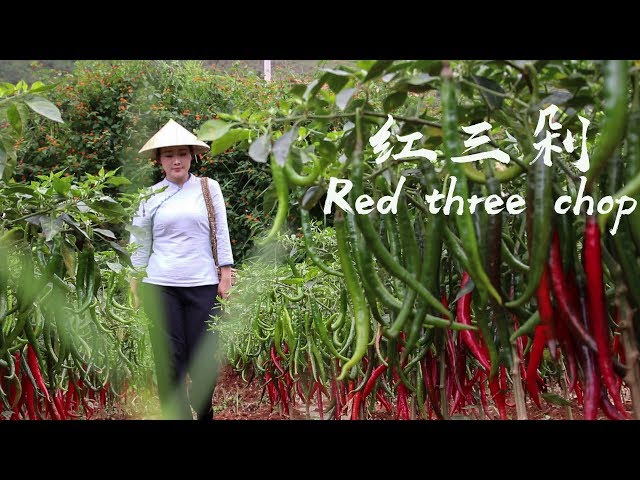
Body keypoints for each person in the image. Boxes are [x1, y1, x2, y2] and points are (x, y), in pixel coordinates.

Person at [128, 119, 234, 420]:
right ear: (158, 160)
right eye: (169, 154)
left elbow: (221, 232)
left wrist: (225, 274)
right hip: (159, 285)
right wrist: (135, 285)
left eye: (183, 154)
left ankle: (204, 411)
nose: (176, 160)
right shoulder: (148, 197)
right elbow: (139, 244)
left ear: (192, 157)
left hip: (202, 283)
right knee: (169, 359)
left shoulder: (207, 188)